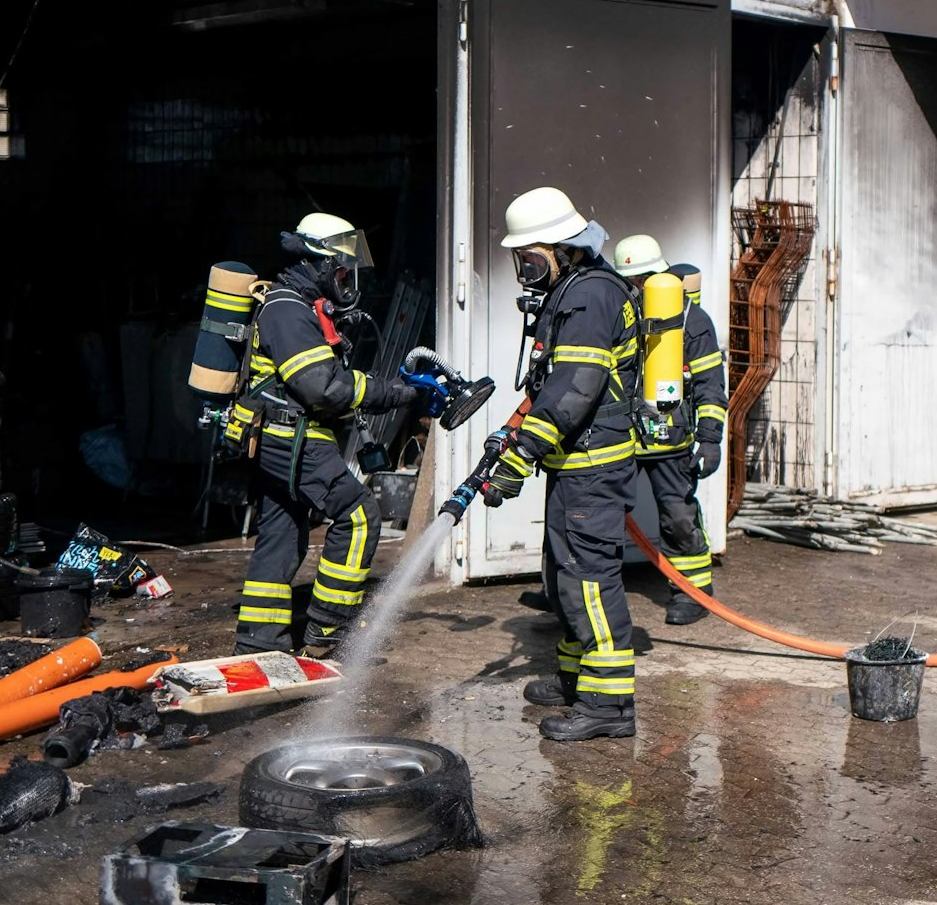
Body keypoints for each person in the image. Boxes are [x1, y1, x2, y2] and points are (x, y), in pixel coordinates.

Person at [446, 187, 643, 742]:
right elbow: (548, 387)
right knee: (563, 576)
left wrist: (521, 457)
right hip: (573, 464)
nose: (524, 272)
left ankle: (609, 706)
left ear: (566, 249)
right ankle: (576, 679)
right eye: (520, 262)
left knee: (589, 578)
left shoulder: (591, 296)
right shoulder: (571, 291)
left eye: (530, 260)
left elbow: (577, 390)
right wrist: (512, 437)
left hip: (593, 467)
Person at [236, 213, 420, 656]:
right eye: (340, 269)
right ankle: (327, 635)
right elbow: (323, 387)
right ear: (317, 264)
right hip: (291, 435)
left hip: (284, 434)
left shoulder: (299, 307)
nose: (346, 278)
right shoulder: (286, 309)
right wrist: (398, 393)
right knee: (358, 518)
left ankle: (260, 644)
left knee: (281, 535)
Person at [613, 235, 728, 626]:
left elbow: (711, 382)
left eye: (640, 280)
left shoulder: (691, 319)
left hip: (670, 436)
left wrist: (709, 438)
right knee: (592, 514)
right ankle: (567, 588)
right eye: (630, 281)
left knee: (678, 516)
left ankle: (693, 593)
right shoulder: (620, 310)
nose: (636, 288)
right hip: (622, 437)